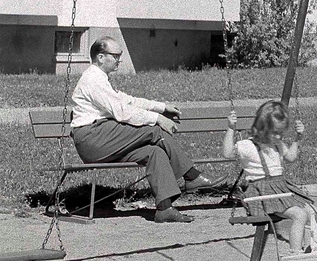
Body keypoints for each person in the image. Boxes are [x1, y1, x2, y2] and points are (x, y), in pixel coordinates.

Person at [71, 37, 218, 223]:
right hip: (93, 138)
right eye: (115, 56)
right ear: (100, 57)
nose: (119, 60)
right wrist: (158, 119)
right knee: (155, 130)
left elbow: (128, 101)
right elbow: (122, 112)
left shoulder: (101, 79)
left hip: (104, 139)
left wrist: (162, 107)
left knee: (154, 152)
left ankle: (165, 209)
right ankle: (192, 176)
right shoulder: (93, 80)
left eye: (120, 56)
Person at [223, 100, 316, 253]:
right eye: (275, 132)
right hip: (263, 193)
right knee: (299, 215)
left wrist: (297, 138)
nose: (279, 136)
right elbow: (227, 153)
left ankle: (311, 248)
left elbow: (291, 157)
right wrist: (231, 128)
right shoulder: (247, 146)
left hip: (280, 188)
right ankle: (295, 254)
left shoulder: (277, 143)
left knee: (312, 211)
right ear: (261, 128)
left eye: (281, 132)